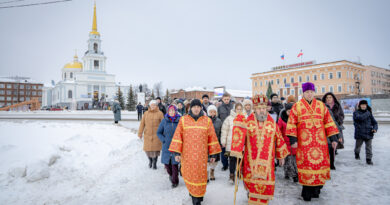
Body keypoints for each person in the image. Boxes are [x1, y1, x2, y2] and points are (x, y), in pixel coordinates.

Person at [230, 94, 289, 205]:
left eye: (263, 108)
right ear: (255, 109)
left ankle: (263, 199)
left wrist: (281, 156)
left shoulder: (272, 123)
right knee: (251, 183)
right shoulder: (248, 122)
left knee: (265, 182)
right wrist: (238, 126)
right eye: (259, 108)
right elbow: (240, 138)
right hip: (250, 160)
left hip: (267, 161)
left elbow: (279, 139)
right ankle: (251, 195)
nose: (261, 111)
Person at [286, 82, 339, 201]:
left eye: (311, 92)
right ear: (303, 93)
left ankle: (317, 189)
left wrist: (334, 138)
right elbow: (291, 124)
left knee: (319, 166)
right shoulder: (297, 106)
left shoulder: (321, 105)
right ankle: (307, 192)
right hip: (304, 144)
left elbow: (329, 122)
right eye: (307, 92)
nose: (309, 94)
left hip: (320, 144)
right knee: (307, 167)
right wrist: (293, 140)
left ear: (314, 92)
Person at [169, 99, 222, 205]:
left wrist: (213, 154)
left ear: (201, 108)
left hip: (201, 156)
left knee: (200, 176)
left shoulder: (207, 121)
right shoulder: (183, 120)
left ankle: (197, 196)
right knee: (189, 175)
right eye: (194, 107)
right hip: (187, 155)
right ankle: (194, 194)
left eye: (198, 107)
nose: (196, 109)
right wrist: (177, 153)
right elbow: (178, 136)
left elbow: (212, 138)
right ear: (190, 108)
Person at [157, 105, 181, 188]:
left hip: (176, 146)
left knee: (174, 165)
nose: (172, 112)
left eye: (173, 111)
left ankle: (175, 181)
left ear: (176, 111)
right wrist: (163, 140)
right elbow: (158, 132)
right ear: (168, 112)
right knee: (167, 165)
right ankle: (171, 175)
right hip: (166, 146)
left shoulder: (179, 121)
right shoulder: (164, 121)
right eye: (170, 111)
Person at [138, 100, 164, 169]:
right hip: (147, 134)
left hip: (157, 135)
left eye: (154, 105)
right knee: (148, 150)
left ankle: (155, 162)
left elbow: (163, 124)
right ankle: (150, 161)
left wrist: (164, 133)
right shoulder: (146, 113)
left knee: (156, 150)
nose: (153, 106)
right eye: (151, 105)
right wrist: (140, 133)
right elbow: (142, 124)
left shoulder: (160, 113)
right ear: (149, 106)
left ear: (156, 106)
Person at [221, 103, 243, 184]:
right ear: (235, 109)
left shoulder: (244, 118)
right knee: (232, 160)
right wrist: (223, 141)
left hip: (240, 144)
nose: (239, 111)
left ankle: (238, 172)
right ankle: (231, 175)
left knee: (240, 159)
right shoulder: (229, 119)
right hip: (231, 143)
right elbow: (224, 130)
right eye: (238, 109)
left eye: (240, 109)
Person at [322, 92, 345, 169]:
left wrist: (339, 121)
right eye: (327, 98)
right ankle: (328, 163)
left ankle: (331, 163)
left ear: (333, 98)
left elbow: (340, 116)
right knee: (328, 146)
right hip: (325, 130)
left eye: (330, 97)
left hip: (334, 128)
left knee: (332, 147)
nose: (328, 99)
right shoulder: (322, 107)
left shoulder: (337, 106)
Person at [353, 100, 378, 165]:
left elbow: (375, 123)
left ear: (366, 105)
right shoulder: (356, 113)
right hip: (359, 134)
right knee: (357, 148)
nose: (363, 106)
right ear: (360, 106)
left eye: (365, 105)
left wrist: (375, 129)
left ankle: (368, 159)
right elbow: (360, 118)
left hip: (368, 133)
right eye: (362, 105)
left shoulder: (369, 113)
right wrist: (368, 113)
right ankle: (357, 153)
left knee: (369, 147)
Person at [278, 103, 298, 182]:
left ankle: (293, 173)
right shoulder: (282, 119)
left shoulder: (296, 119)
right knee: (288, 160)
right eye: (288, 111)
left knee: (294, 160)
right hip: (285, 142)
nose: (290, 113)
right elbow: (278, 130)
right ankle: (292, 174)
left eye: (291, 111)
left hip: (295, 142)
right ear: (286, 111)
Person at [218, 92, 233, 171]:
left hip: (231, 130)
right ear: (222, 99)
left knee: (231, 148)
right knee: (223, 148)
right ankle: (225, 164)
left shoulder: (233, 107)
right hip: (223, 131)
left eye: (228, 99)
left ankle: (231, 163)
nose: (226, 100)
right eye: (225, 99)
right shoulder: (220, 108)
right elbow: (218, 118)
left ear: (230, 98)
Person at [207, 105, 222, 181]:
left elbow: (221, 132)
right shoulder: (205, 120)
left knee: (215, 159)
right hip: (207, 143)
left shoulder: (219, 121)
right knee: (207, 159)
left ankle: (212, 172)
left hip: (216, 142)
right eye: (211, 111)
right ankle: (206, 173)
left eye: (214, 111)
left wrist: (220, 141)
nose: (212, 113)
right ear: (208, 112)